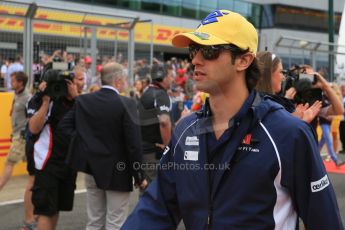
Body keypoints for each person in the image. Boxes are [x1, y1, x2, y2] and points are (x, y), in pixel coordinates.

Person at [122, 10, 343, 229]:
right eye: (194, 50)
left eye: (209, 51)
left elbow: (325, 221)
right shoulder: (186, 131)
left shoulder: (288, 133)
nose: (195, 60)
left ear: (243, 60)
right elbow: (155, 209)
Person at [59, 62, 147, 230]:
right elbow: (133, 144)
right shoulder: (127, 103)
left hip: (91, 168)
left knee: (94, 221)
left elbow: (64, 128)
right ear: (118, 81)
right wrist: (139, 175)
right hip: (118, 172)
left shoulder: (83, 100)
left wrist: (86, 145)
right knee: (115, 222)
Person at [27, 68, 84, 230]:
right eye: (56, 84)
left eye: (64, 84)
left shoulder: (76, 101)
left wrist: (75, 96)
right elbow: (33, 128)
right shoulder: (38, 99)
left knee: (56, 208)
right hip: (47, 165)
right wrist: (46, 101)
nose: (60, 88)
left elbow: (90, 121)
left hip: (68, 163)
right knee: (46, 211)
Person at [256, 51, 322, 123]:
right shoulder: (263, 106)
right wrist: (297, 122)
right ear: (268, 74)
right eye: (281, 72)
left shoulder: (256, 101)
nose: (283, 78)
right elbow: (274, 130)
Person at [138, 63, 174, 182]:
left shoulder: (147, 92)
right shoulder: (160, 95)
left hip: (145, 150)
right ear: (162, 77)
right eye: (170, 75)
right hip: (154, 152)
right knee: (155, 191)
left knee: (147, 190)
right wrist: (167, 148)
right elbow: (164, 122)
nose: (172, 79)